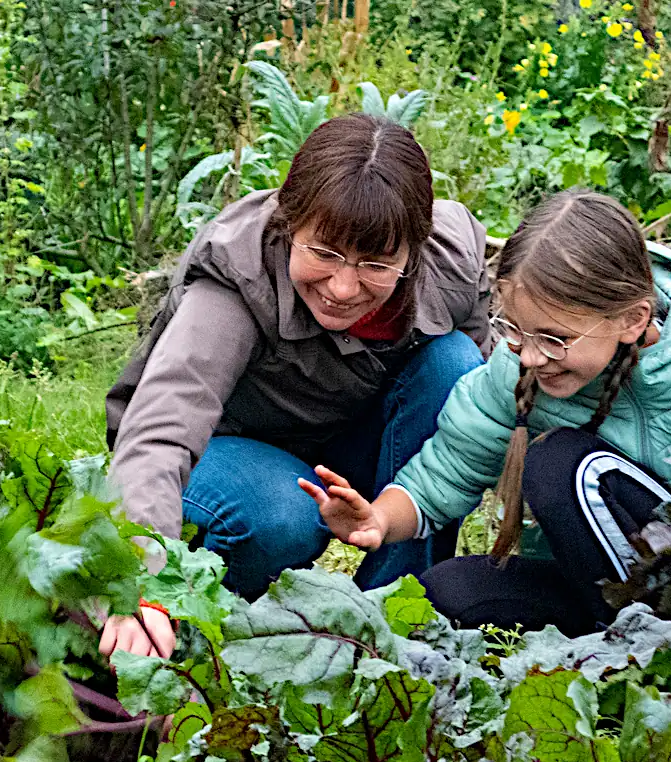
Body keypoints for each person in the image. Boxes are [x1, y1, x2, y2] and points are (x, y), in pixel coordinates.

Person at [297, 189, 671, 692]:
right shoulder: (518, 372)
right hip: (599, 597)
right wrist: (377, 519)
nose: (528, 354)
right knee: (445, 592)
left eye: (553, 337)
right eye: (514, 330)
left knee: (562, 467)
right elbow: (445, 472)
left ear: (631, 319)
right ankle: (616, 663)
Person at [98, 113, 496, 662]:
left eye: (376, 264)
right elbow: (159, 433)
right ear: (290, 222)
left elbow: (480, 412)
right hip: (222, 456)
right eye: (323, 253)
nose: (342, 287)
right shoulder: (237, 280)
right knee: (285, 514)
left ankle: (388, 626)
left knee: (455, 365)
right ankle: (227, 634)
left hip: (342, 442)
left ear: (414, 252)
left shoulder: (451, 264)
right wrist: (141, 583)